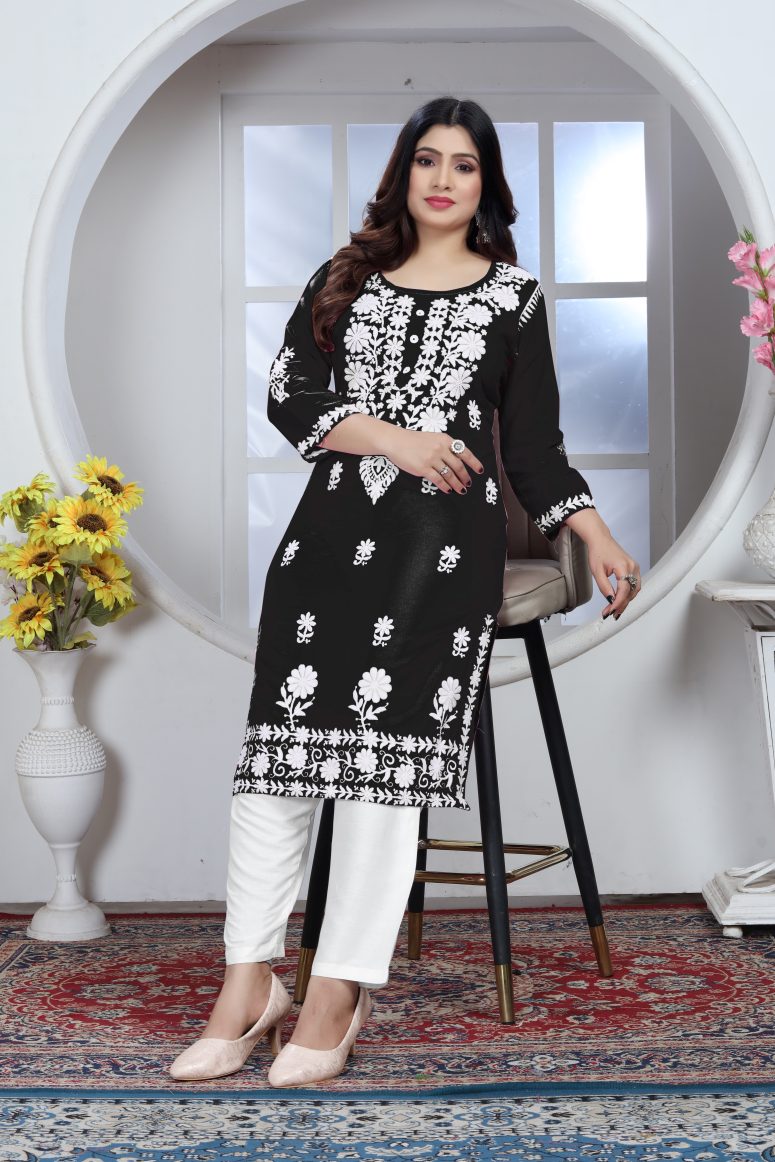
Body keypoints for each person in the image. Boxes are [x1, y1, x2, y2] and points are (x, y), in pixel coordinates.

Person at [169, 95, 641, 1089]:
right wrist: (397, 439)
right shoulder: (344, 278)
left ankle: (337, 991)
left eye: (463, 165)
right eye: (428, 159)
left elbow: (534, 450)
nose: (442, 179)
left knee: (382, 774)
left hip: (439, 555)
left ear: (485, 185)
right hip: (323, 542)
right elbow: (290, 395)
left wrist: (593, 534)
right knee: (274, 768)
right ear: (403, 171)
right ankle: (247, 984)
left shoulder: (513, 299)